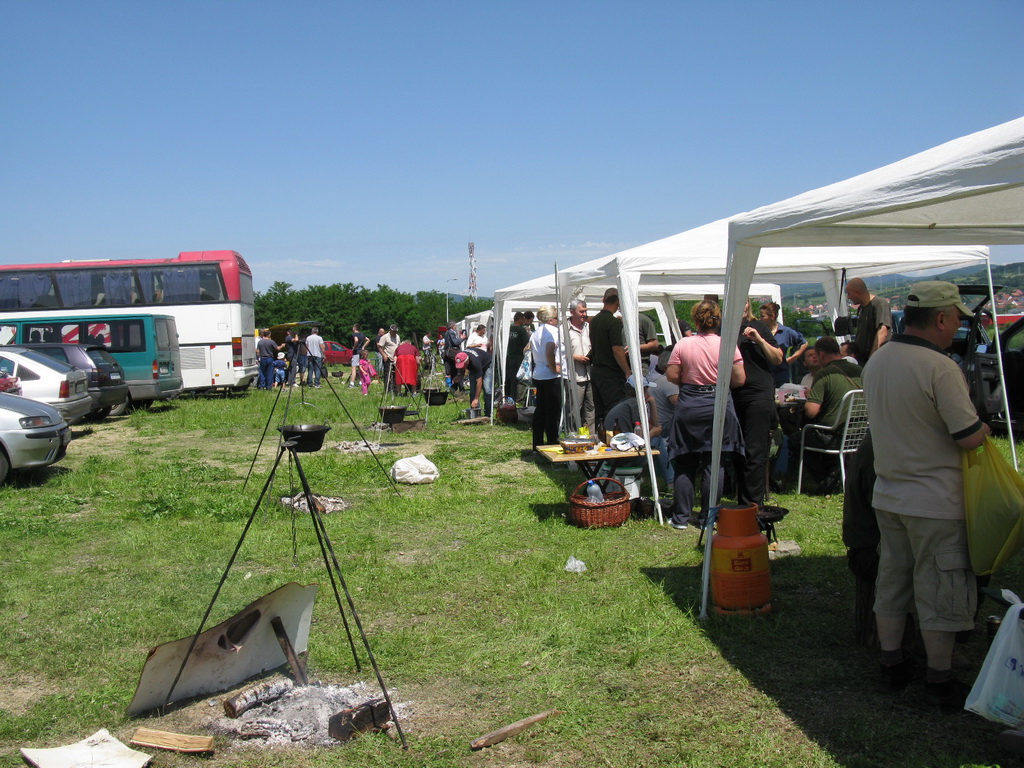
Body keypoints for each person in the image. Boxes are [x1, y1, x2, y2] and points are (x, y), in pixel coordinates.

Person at [864, 281, 989, 709]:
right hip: (936, 499)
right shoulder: (940, 367)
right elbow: (969, 438)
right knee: (941, 587)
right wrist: (985, 427)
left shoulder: (878, 360)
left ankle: (891, 665)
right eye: (956, 318)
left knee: (893, 581)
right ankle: (939, 680)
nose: (957, 327)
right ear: (940, 319)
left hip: (890, 494)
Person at [665, 300, 745, 529]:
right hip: (718, 405)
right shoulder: (727, 345)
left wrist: (690, 378)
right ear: (717, 319)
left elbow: (671, 375)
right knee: (715, 463)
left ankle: (680, 518)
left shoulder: (684, 344)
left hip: (690, 404)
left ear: (696, 320)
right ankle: (708, 520)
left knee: (684, 461)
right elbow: (739, 379)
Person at [794, 336, 863, 491]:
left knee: (796, 439)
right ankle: (836, 474)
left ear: (821, 354)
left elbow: (811, 412)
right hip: (860, 433)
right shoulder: (859, 370)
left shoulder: (825, 374)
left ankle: (828, 480)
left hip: (834, 435)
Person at [734, 300, 783, 507]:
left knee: (755, 448)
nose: (741, 306)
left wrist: (760, 340)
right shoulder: (723, 329)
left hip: (758, 394)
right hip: (733, 394)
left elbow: (778, 358)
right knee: (735, 449)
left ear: (748, 305)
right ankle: (741, 497)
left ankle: (753, 503)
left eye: (744, 302)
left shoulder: (760, 326)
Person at [588, 288, 632, 426]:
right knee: (614, 409)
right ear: (618, 302)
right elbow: (617, 349)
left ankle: (602, 437)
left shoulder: (594, 321)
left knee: (599, 411)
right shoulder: (613, 322)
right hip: (610, 374)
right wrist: (627, 372)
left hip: (596, 371)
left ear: (604, 300)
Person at [529, 305, 563, 451]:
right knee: (552, 410)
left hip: (538, 372)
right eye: (556, 318)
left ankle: (537, 442)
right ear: (551, 319)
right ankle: (552, 441)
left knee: (541, 409)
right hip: (550, 374)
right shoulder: (552, 331)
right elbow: (549, 351)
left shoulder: (535, 332)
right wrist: (554, 367)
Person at [759, 301, 807, 387]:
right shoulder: (760, 332)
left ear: (772, 316)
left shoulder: (786, 332)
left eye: (763, 316)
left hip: (780, 375)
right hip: (763, 375)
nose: (760, 319)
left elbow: (804, 343)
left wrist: (792, 358)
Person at [846, 277, 893, 365]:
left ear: (857, 293)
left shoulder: (879, 304)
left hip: (876, 361)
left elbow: (882, 332)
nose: (848, 297)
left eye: (849, 294)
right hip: (862, 360)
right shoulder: (861, 308)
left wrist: (873, 359)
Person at [567, 299, 595, 434]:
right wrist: (575, 357)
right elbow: (559, 353)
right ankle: (574, 436)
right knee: (575, 409)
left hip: (590, 374)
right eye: (581, 311)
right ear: (572, 312)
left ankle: (589, 436)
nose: (584, 314)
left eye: (585, 311)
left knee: (591, 408)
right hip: (575, 375)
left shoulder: (589, 328)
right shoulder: (564, 330)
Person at [456, 346, 493, 412]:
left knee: (487, 390)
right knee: (472, 391)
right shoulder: (460, 357)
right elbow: (462, 368)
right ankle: (475, 414)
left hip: (487, 365)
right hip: (474, 367)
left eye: (463, 364)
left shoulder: (475, 363)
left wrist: (476, 399)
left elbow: (479, 382)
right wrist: (459, 376)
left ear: (467, 361)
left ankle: (489, 413)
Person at [505, 312, 531, 403]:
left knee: (510, 379)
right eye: (523, 319)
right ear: (520, 319)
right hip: (519, 357)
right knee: (519, 379)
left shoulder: (508, 329)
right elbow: (527, 345)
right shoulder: (521, 330)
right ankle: (517, 398)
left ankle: (509, 397)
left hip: (509, 357)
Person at [636, 312, 661, 377]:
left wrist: (634, 348)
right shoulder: (615, 320)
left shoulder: (643, 320)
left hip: (639, 365)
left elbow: (654, 344)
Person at [378, 324, 401, 392]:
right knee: (387, 374)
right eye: (393, 331)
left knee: (396, 374)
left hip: (396, 358)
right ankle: (387, 389)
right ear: (390, 330)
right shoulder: (385, 337)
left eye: (395, 331)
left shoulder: (398, 337)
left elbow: (398, 346)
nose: (394, 332)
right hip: (387, 357)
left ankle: (395, 389)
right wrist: (384, 355)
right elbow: (379, 346)